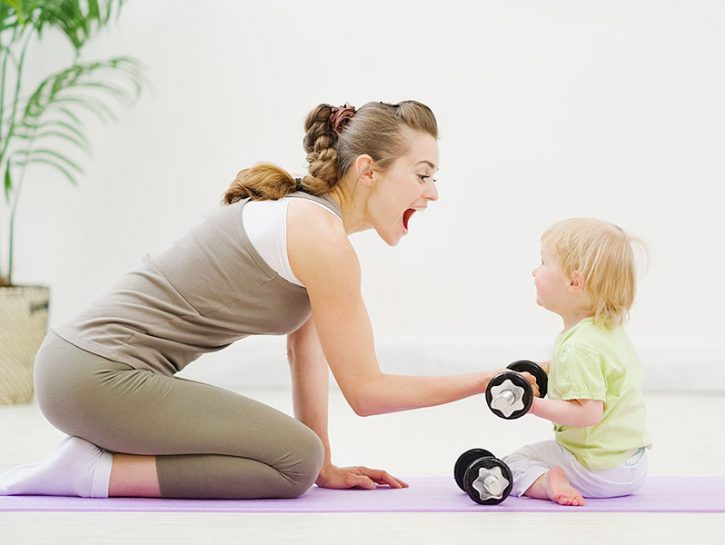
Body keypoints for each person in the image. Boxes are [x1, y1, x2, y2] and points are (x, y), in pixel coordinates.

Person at [0, 100, 536, 500]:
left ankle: (94, 464)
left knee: (304, 460)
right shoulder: (320, 238)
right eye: (422, 175)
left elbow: (306, 354)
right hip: (95, 376)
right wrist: (486, 380)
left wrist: (326, 461)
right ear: (368, 170)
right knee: (292, 463)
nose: (433, 192)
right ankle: (90, 472)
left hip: (84, 370)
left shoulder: (311, 223)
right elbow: (367, 393)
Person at [503, 218, 651, 506]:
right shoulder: (606, 332)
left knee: (514, 463)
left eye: (543, 262)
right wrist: (547, 369)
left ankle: (548, 483)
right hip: (632, 465)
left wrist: (530, 405)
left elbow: (587, 414)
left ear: (574, 281)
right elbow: (598, 376)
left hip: (595, 469)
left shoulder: (579, 347)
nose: (534, 271)